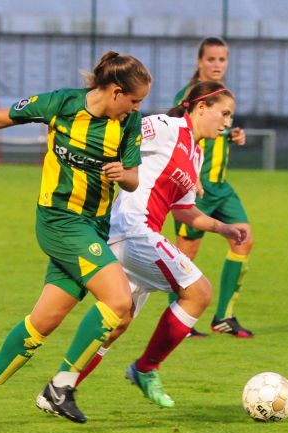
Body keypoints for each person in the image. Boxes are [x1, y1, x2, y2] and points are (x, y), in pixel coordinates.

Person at [0, 51, 151, 427]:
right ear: (116, 91)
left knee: (44, 321)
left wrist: (123, 174)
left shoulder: (128, 123)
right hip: (59, 221)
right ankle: (61, 386)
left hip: (94, 227)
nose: (136, 108)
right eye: (134, 100)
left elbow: (133, 177)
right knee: (119, 301)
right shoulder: (62, 104)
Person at [35, 81, 249, 410]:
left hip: (138, 235)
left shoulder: (196, 153)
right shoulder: (167, 126)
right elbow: (123, 128)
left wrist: (224, 228)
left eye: (231, 116)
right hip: (132, 229)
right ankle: (145, 368)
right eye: (224, 113)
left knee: (117, 323)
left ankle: (58, 389)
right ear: (200, 107)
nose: (227, 122)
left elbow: (185, 212)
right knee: (199, 292)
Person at [169, 36, 254, 338]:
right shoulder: (190, 95)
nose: (217, 64)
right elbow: (180, 135)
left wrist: (234, 134)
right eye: (211, 59)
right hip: (198, 188)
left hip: (222, 186)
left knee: (243, 240)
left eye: (222, 59)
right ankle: (178, 319)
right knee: (184, 254)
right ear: (199, 61)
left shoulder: (224, 95)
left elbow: (219, 130)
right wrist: (188, 179)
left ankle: (223, 317)